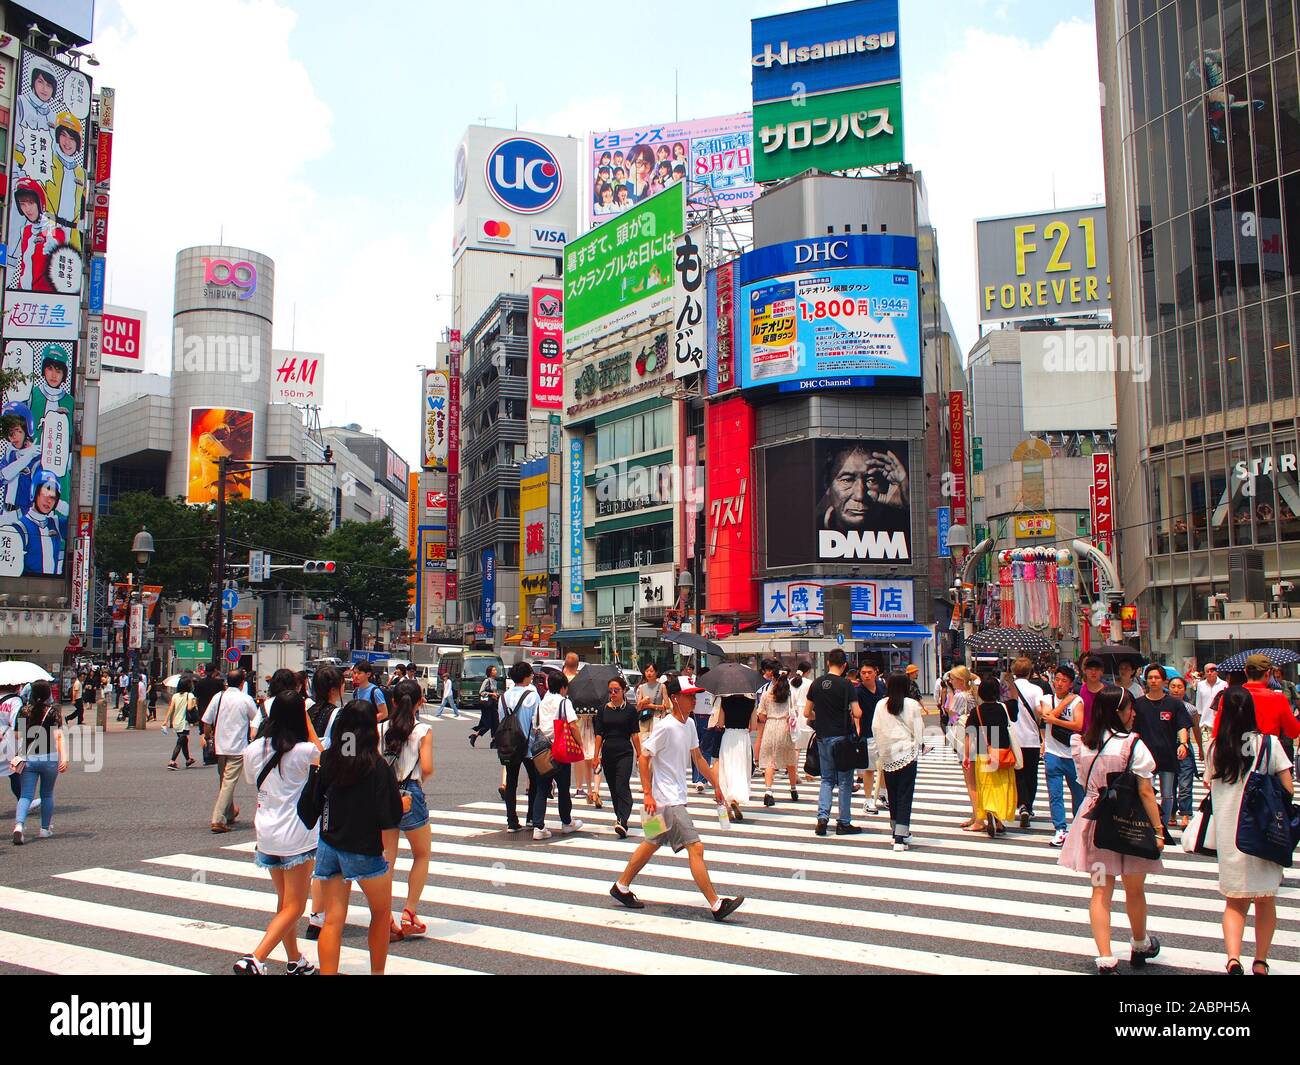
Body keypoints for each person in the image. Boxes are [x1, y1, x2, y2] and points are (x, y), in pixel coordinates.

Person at [608, 675, 744, 921]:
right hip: (667, 801)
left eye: (694, 695)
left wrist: (716, 785)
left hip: (667, 799)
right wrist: (648, 794)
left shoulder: (689, 724)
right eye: (688, 695)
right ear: (675, 698)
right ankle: (715, 904)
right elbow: (644, 757)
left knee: (650, 842)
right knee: (696, 846)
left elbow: (698, 757)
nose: (693, 699)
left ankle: (621, 886)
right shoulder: (665, 726)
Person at [1058, 687, 1165, 974]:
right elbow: (1145, 790)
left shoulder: (1081, 742)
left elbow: (1082, 781)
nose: (1133, 713)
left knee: (1100, 891)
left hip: (1095, 822)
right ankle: (1140, 944)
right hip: (1131, 823)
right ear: (1118, 711)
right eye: (1129, 708)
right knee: (1135, 889)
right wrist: (1158, 830)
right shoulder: (1133, 744)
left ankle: (1105, 958)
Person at [309, 701, 404, 976]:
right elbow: (389, 816)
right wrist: (404, 804)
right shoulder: (376, 766)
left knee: (333, 920)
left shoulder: (328, 759)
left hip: (329, 844)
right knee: (380, 914)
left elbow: (316, 800)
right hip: (363, 848)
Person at [234, 691, 323, 975]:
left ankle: (295, 959)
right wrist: (308, 725)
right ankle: (256, 958)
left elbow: (251, 779)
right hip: (296, 832)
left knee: (285, 902)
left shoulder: (254, 748)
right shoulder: (304, 751)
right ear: (300, 716)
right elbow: (326, 761)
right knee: (296, 905)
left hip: (267, 830)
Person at [1206, 686, 1293, 975]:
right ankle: (1261, 961)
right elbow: (1288, 789)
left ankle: (1233, 958)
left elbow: (1210, 783)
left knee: (1234, 902)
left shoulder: (1215, 747)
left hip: (1231, 834)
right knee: (1265, 900)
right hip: (1265, 833)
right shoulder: (1269, 744)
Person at [379, 678, 434, 942]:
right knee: (421, 854)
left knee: (387, 859)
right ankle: (409, 913)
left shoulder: (380, 728)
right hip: (410, 791)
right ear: (420, 702)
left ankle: (385, 919)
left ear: (392, 701)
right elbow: (427, 767)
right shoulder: (422, 730)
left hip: (384, 793)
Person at [806, 648, 863, 837]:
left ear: (828, 663)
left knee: (827, 779)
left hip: (822, 737)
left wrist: (820, 716)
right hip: (842, 739)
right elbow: (857, 713)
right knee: (845, 781)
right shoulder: (846, 685)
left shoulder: (816, 683)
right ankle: (843, 823)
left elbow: (807, 713)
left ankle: (822, 819)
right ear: (844, 665)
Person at [201, 669, 262, 834]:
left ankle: (229, 813)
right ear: (243, 683)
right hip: (237, 747)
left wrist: (207, 736)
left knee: (224, 781)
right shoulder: (245, 699)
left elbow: (207, 720)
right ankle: (218, 819)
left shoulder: (218, 697)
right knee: (228, 783)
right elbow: (256, 718)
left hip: (220, 746)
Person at [1132, 664, 1191, 830]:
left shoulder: (1174, 704)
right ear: (1146, 680)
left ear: (1164, 681)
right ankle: (1147, 824)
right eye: (1150, 677)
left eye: (1157, 677)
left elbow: (1182, 726)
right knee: (1145, 792)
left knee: (1167, 795)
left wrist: (1184, 744)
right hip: (1144, 757)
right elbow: (1134, 730)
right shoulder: (1139, 704)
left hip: (1168, 755)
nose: (1153, 680)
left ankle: (1163, 826)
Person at [529, 672, 585, 841]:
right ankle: (567, 822)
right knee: (563, 789)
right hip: (560, 749)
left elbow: (535, 726)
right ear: (562, 687)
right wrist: (580, 744)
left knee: (542, 788)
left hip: (542, 751)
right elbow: (573, 726)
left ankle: (538, 826)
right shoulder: (564, 702)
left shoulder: (542, 702)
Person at [872, 672, 925, 851]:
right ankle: (901, 837)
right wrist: (921, 744)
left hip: (887, 754)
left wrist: (881, 748)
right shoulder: (912, 704)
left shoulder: (881, 704)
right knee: (905, 794)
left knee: (893, 795)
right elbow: (918, 729)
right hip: (907, 753)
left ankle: (895, 830)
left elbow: (875, 728)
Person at [10, 680, 64, 844]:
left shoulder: (25, 710)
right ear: (48, 694)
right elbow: (58, 736)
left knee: (25, 795)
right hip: (49, 758)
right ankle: (44, 829)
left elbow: (18, 735)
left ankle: (19, 825)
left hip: (29, 758)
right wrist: (65, 758)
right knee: (46, 794)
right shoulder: (53, 712)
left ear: (32, 694)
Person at [1039, 664, 1085, 847]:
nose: (1059, 684)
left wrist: (1055, 720)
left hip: (1072, 753)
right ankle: (1060, 828)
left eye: (1063, 681)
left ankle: (1079, 827)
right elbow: (1046, 716)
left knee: (1078, 793)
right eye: (1057, 679)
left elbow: (1079, 725)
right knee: (1055, 793)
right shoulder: (1047, 699)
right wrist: (1065, 703)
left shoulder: (1078, 701)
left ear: (1070, 683)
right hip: (1052, 753)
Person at [965, 676, 1017, 837]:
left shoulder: (977, 711)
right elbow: (1015, 703)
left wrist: (967, 755)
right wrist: (1010, 683)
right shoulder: (1003, 708)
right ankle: (999, 820)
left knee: (985, 786)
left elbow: (969, 735)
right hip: (1002, 753)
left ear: (980, 693)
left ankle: (989, 812)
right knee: (1001, 786)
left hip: (984, 753)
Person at [498, 661, 542, 833]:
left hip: (509, 744)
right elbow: (536, 721)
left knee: (511, 781)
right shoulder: (532, 695)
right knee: (534, 781)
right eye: (531, 674)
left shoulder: (504, 696)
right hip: (529, 745)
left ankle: (512, 820)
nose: (532, 676)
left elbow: (502, 719)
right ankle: (531, 817)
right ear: (526, 676)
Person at [593, 676, 639, 837]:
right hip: (608, 752)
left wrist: (640, 754)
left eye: (616, 690)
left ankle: (623, 820)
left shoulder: (631, 710)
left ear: (624, 690)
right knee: (613, 787)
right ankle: (619, 818)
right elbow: (599, 735)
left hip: (625, 751)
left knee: (621, 785)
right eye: (610, 690)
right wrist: (595, 756)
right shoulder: (603, 710)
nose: (613, 693)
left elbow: (635, 734)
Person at [1006, 656, 1044, 830]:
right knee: (1031, 773)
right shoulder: (1036, 689)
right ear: (1030, 672)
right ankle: (1028, 806)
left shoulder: (1007, 687)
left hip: (1013, 738)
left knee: (1017, 774)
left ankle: (1021, 804)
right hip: (1031, 738)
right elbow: (1040, 712)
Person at [756, 672, 799, 807]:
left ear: (773, 678)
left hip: (770, 726)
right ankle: (793, 789)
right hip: (785, 727)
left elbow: (761, 715)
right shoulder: (789, 694)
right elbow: (795, 711)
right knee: (790, 759)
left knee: (770, 761)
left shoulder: (766, 694)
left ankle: (768, 791)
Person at [715, 690, 756, 822]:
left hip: (728, 736)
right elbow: (754, 726)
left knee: (727, 770)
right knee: (741, 770)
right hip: (743, 737)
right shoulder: (751, 702)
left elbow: (720, 723)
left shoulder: (725, 701)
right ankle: (735, 801)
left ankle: (728, 805)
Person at [855, 659, 887, 814]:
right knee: (869, 769)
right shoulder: (858, 691)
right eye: (863, 673)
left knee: (886, 766)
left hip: (885, 733)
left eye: (869, 672)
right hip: (867, 734)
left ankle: (883, 794)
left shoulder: (882, 686)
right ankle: (868, 800)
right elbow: (855, 715)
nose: (866, 676)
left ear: (876, 672)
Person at [1167, 676, 1198, 828]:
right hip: (1169, 748)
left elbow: (1196, 729)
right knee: (1170, 783)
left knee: (1185, 783)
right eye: (1173, 686)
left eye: (1179, 687)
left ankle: (1185, 814)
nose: (1176, 689)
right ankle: (1172, 814)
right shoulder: (1164, 705)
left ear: (1184, 690)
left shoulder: (1190, 708)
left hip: (1185, 748)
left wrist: (1201, 749)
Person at [165, 676, 199, 770]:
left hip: (176, 721)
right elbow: (189, 708)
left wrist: (165, 721)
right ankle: (172, 761)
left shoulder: (175, 696)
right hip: (184, 722)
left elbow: (171, 708)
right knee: (180, 741)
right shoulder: (190, 695)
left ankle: (188, 759)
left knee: (184, 741)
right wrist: (194, 702)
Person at [635, 662, 671, 736]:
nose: (649, 673)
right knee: (643, 742)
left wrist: (651, 706)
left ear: (656, 672)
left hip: (657, 717)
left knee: (655, 741)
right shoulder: (642, 687)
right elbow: (638, 707)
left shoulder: (662, 686)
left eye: (651, 671)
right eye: (647, 671)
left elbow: (667, 706)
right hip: (644, 718)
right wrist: (642, 701)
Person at [469, 665, 500, 748]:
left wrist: (496, 695)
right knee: (488, 724)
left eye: (495, 670)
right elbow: (481, 692)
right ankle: (475, 735)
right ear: (490, 672)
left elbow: (494, 691)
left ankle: (494, 741)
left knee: (496, 723)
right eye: (493, 670)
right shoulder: (487, 681)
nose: (495, 671)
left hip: (493, 704)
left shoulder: (495, 681)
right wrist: (491, 694)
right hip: (487, 705)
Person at [1078, 655, 1110, 733]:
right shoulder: (1079, 690)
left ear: (1102, 672)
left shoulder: (1108, 692)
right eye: (1090, 669)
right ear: (1085, 670)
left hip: (1103, 734)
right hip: (1083, 735)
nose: (1093, 672)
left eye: (1097, 669)